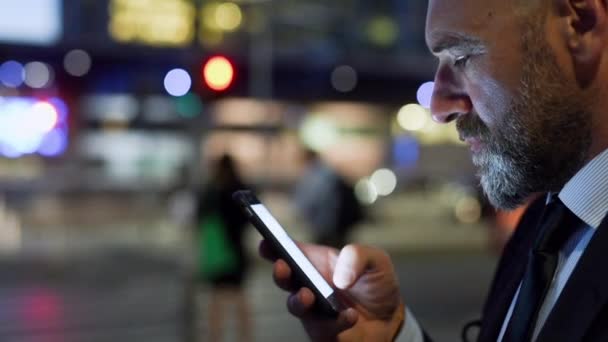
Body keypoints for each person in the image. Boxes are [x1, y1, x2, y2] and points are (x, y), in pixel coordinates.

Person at [261, 0, 608, 341]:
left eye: (461, 56)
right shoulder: (540, 227)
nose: (438, 107)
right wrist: (394, 335)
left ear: (581, 23)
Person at [197, 154, 252, 342]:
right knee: (239, 297)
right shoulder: (240, 189)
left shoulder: (211, 190)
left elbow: (200, 219)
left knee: (216, 299)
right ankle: (245, 337)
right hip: (237, 250)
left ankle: (215, 337)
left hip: (217, 251)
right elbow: (247, 221)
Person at [294, 149, 363, 249]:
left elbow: (309, 202)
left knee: (323, 256)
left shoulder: (315, 175)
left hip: (325, 226)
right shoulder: (329, 172)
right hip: (338, 226)